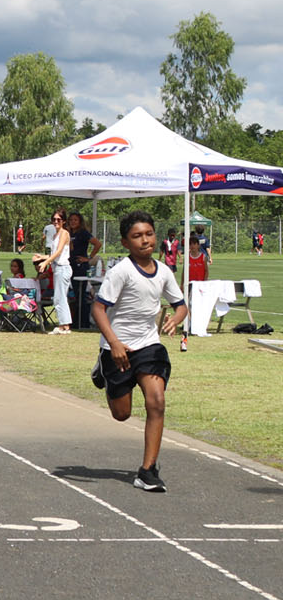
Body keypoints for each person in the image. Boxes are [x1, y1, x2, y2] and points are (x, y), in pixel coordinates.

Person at [90, 211, 187, 492]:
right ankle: (104, 372)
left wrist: (177, 318)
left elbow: (180, 304)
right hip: (117, 347)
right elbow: (98, 309)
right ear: (125, 242)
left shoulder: (164, 271)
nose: (145, 240)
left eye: (149, 234)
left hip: (149, 346)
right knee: (121, 414)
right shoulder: (121, 271)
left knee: (156, 401)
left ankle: (147, 471)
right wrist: (115, 344)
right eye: (137, 236)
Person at [33, 208, 73, 333]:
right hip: (58, 268)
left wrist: (46, 262)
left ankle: (63, 325)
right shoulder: (55, 235)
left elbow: (59, 251)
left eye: (59, 219)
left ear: (64, 221)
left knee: (59, 297)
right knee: (60, 297)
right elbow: (54, 253)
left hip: (62, 268)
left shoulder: (64, 233)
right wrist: (43, 257)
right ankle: (65, 325)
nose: (56, 222)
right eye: (54, 219)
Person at [68, 211, 102, 329]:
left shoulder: (83, 233)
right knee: (75, 295)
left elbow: (97, 244)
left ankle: (83, 323)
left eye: (75, 220)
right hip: (70, 265)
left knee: (81, 295)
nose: (73, 222)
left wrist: (89, 258)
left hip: (80, 266)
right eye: (71, 220)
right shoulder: (68, 233)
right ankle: (75, 321)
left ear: (80, 222)